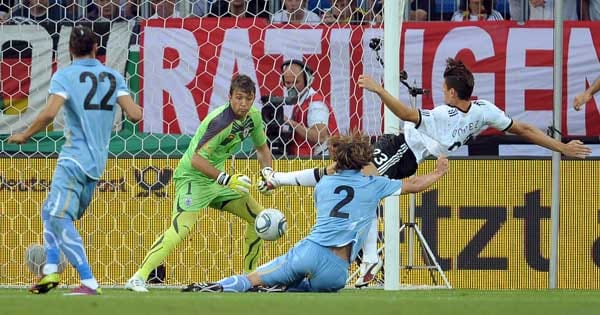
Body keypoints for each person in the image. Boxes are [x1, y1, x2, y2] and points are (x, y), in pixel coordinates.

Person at [260, 58, 592, 287]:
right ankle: (366, 254)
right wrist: (561, 147)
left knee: (346, 177)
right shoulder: (483, 109)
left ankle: (368, 255)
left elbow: (406, 111)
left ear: (450, 91)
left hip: (402, 150)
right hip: (403, 151)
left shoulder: (440, 115)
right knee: (342, 174)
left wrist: (379, 90)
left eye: (443, 87)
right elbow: (522, 128)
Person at [182, 133, 449, 293]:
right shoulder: (375, 184)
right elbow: (413, 185)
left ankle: (215, 287)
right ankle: (281, 286)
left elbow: (316, 176)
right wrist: (438, 173)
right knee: (308, 290)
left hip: (311, 252)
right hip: (337, 272)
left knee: (254, 278)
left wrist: (278, 178)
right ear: (362, 161)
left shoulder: (325, 183)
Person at [7, 25, 142, 295]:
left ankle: (89, 281)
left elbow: (49, 113)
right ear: (96, 48)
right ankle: (51, 270)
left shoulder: (65, 76)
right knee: (50, 210)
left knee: (58, 216)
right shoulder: (114, 77)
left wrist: (25, 134)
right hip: (96, 163)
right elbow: (135, 114)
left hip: (73, 158)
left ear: (69, 50)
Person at [125, 74, 275, 292]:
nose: (243, 104)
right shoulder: (220, 122)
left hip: (217, 180)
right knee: (181, 228)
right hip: (192, 177)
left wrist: (268, 175)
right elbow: (196, 159)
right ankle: (138, 277)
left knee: (260, 218)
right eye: (239, 98)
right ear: (230, 97)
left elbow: (262, 150)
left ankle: (249, 280)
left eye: (248, 99)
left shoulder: (254, 117)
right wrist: (227, 179)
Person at [279, 59, 338, 156]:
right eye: (288, 83)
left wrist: (289, 122)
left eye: (296, 82)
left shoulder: (316, 104)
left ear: (308, 80)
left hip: (320, 164)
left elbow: (320, 137)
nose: (292, 86)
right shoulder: (300, 103)